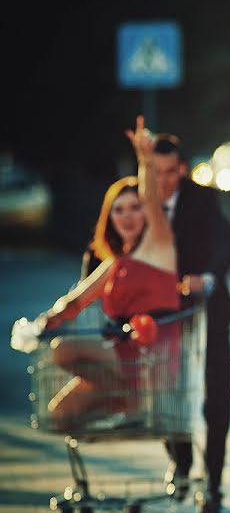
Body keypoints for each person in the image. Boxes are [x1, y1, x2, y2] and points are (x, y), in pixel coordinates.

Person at [41, 118, 179, 428]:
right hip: (120, 359)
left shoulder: (160, 244)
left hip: (150, 357)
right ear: (109, 216)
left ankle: (134, 403)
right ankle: (127, 404)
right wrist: (42, 322)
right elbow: (76, 301)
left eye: (135, 207)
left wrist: (144, 159)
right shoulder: (117, 261)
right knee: (58, 413)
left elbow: (152, 199)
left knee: (66, 349)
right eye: (119, 209)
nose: (128, 216)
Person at [151, 133, 230, 513]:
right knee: (167, 395)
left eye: (171, 172)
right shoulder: (138, 201)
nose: (164, 181)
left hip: (208, 312)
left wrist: (207, 275)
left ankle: (214, 487)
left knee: (216, 401)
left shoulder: (201, 198)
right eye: (156, 173)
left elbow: (226, 242)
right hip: (161, 319)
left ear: (182, 169)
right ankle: (181, 460)